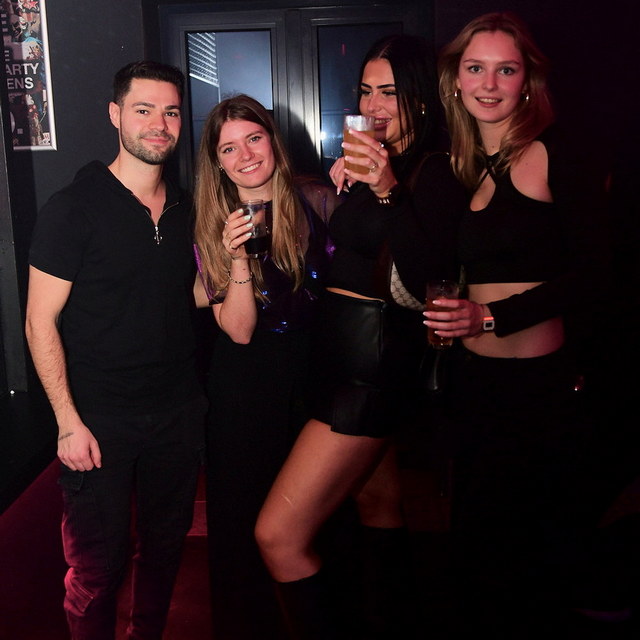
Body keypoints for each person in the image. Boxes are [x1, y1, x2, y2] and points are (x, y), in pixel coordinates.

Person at [255, 34, 466, 639]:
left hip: (370, 369)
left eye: (389, 92)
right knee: (378, 503)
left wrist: (387, 188)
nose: (374, 105)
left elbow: (430, 274)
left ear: (419, 97)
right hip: (341, 358)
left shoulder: (434, 169)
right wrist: (344, 188)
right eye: (366, 91)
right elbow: (353, 250)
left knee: (278, 535)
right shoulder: (378, 158)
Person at [427, 12, 611, 636]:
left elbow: (597, 274)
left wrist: (490, 315)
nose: (489, 84)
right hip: (474, 385)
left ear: (527, 80)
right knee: (477, 552)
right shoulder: (461, 164)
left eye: (505, 70)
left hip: (539, 392)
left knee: (534, 560)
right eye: (475, 68)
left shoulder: (557, 151)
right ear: (455, 80)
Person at [24, 61, 206, 640]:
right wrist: (67, 421)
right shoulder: (73, 208)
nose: (159, 124)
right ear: (115, 115)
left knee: (165, 551)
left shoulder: (186, 209)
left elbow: (188, 295)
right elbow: (39, 321)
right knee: (97, 570)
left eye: (170, 112)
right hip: (99, 420)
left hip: (176, 414)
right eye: (143, 110)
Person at [192, 94, 341, 639]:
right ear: (218, 162)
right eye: (229, 148)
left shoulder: (316, 200)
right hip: (246, 390)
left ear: (272, 141)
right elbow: (238, 330)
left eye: (253, 138)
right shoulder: (212, 225)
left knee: (312, 524)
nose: (246, 155)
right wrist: (237, 259)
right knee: (246, 525)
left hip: (315, 381)